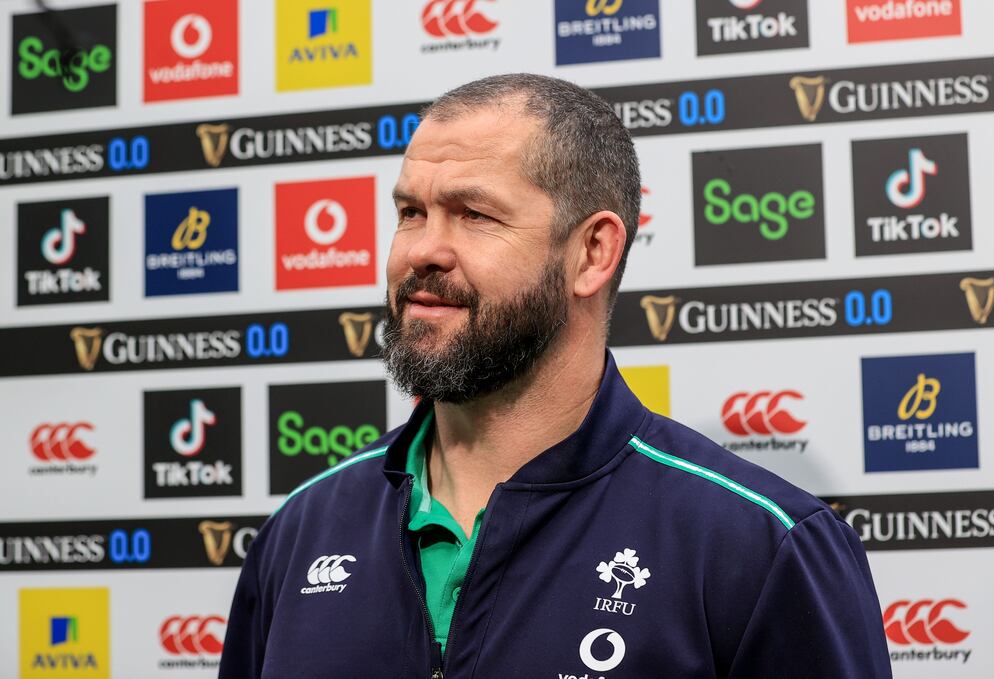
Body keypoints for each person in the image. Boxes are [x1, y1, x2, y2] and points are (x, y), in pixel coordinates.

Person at [219, 74, 892, 679]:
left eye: (475, 214)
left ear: (592, 252)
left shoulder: (761, 545)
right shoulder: (303, 527)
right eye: (411, 212)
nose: (423, 251)